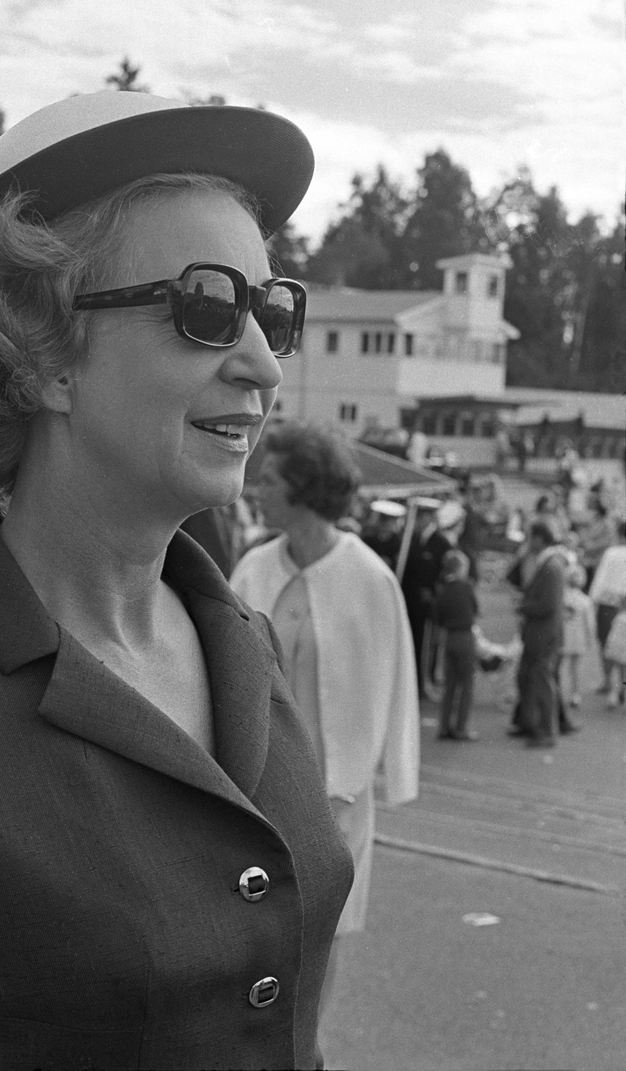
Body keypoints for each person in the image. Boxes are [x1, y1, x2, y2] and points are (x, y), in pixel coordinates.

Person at [0, 90, 353, 1070]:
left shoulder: (243, 641)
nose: (261, 365)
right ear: (40, 357)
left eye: (270, 310)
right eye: (206, 307)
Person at [230, 422, 419, 1012]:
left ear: (302, 489)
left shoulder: (370, 578)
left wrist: (392, 772)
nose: (255, 491)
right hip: (260, 786)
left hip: (336, 794)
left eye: (269, 480)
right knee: (256, 922)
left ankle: (311, 1041)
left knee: (324, 926)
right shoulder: (253, 568)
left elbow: (397, 681)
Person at [509, 521, 570, 748]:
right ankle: (530, 724)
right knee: (528, 678)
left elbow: (548, 604)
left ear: (539, 539)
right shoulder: (548, 563)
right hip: (538, 633)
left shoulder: (551, 566)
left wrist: (523, 606)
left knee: (542, 682)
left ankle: (545, 731)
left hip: (543, 634)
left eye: (530, 537)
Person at [399, 496, 452, 697]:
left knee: (426, 645)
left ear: (429, 518)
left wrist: (436, 591)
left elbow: (448, 573)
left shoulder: (441, 543)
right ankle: (413, 684)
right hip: (410, 602)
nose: (417, 521)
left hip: (428, 605)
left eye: (420, 516)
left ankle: (423, 684)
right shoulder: (410, 541)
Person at [434, 549, 479, 741]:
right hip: (465, 636)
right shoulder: (465, 587)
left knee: (450, 685)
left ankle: (444, 726)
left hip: (449, 637)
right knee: (467, 684)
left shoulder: (443, 589)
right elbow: (475, 609)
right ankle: (461, 727)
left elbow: (437, 615)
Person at [589, 521, 626, 697]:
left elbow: (600, 579)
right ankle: (622, 685)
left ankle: (608, 681)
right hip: (621, 605)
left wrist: (592, 600)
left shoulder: (611, 553)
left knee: (606, 644)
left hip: (608, 604)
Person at [559, 561, 596, 708]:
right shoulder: (586, 601)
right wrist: (589, 639)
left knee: (560, 666)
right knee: (575, 668)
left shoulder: (561, 598)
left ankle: (560, 692)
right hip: (578, 638)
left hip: (563, 637)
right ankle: (575, 694)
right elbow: (590, 624)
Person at [602, 596, 626, 709]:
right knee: (622, 676)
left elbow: (613, 636)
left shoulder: (619, 618)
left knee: (614, 674)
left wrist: (608, 649)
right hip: (622, 651)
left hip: (617, 650)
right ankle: (620, 697)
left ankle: (613, 697)